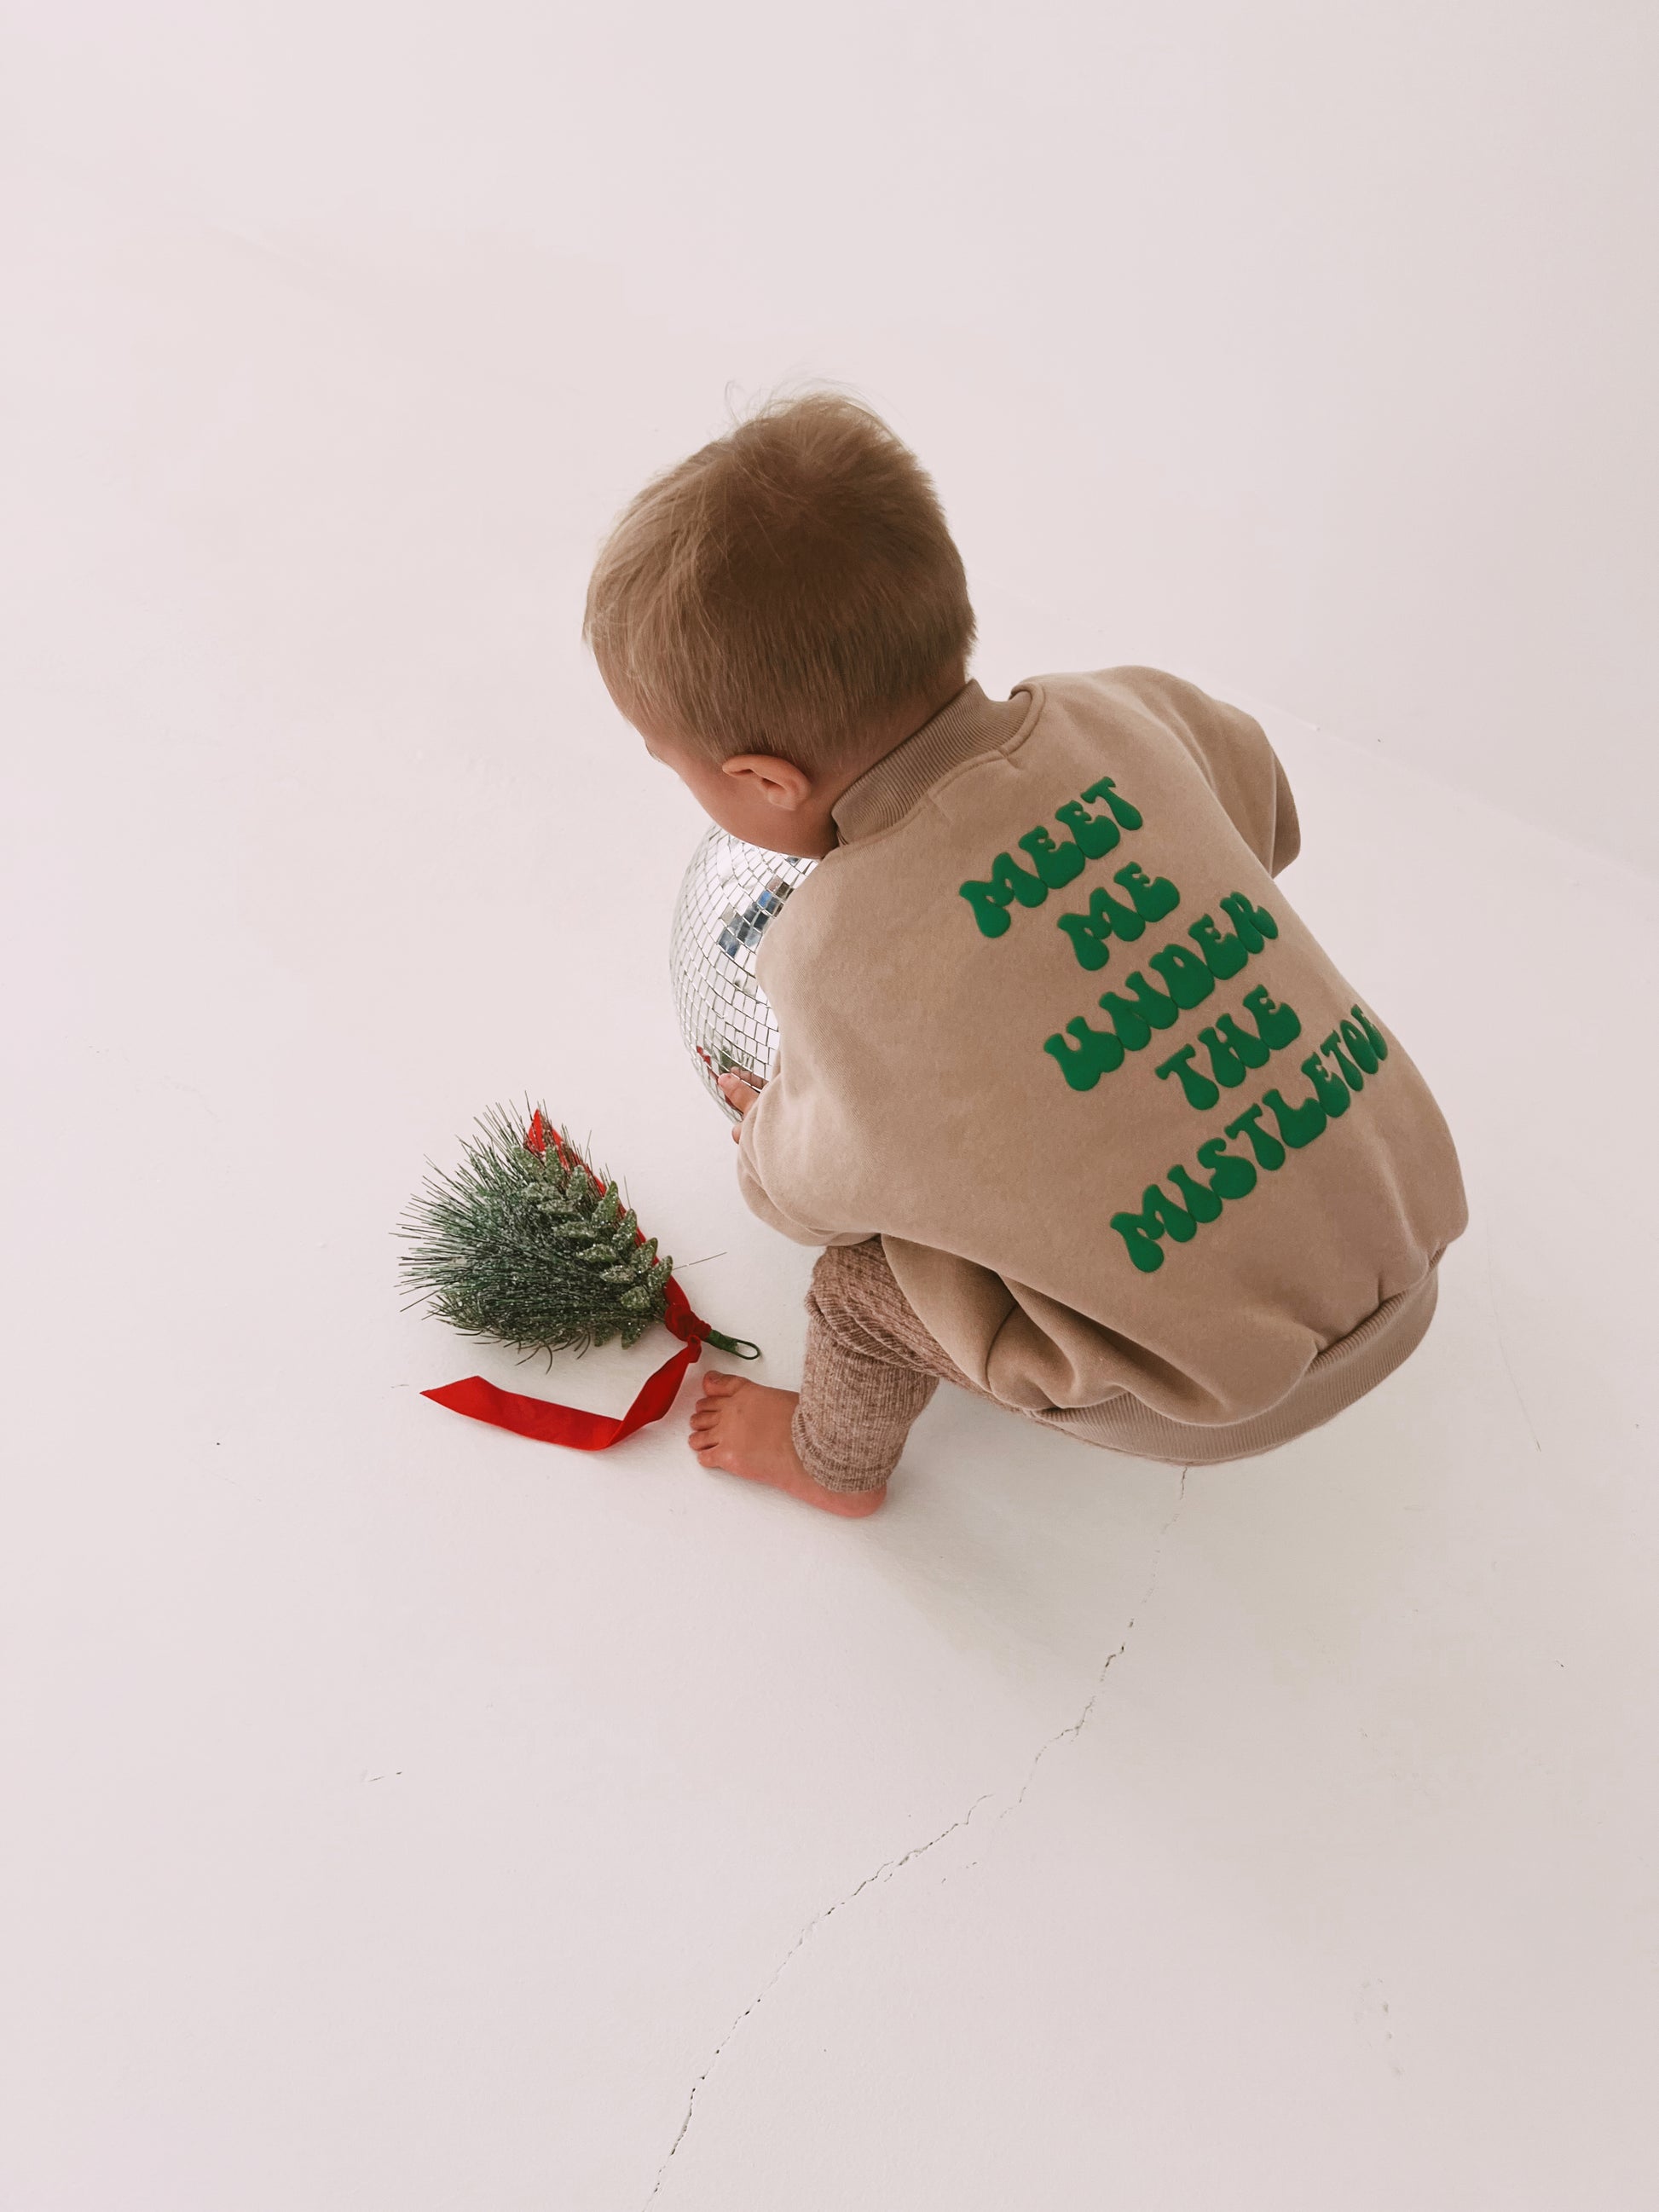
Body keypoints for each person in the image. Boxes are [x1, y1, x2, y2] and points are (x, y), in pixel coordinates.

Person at [583, 393, 1467, 1516]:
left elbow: (810, 1198)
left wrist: (765, 1131)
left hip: (1210, 1393)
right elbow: (1267, 818)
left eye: (677, 765)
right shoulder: (1128, 714)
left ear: (762, 781)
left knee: (855, 1291)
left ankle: (830, 1466)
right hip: (1405, 1238)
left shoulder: (831, 960)